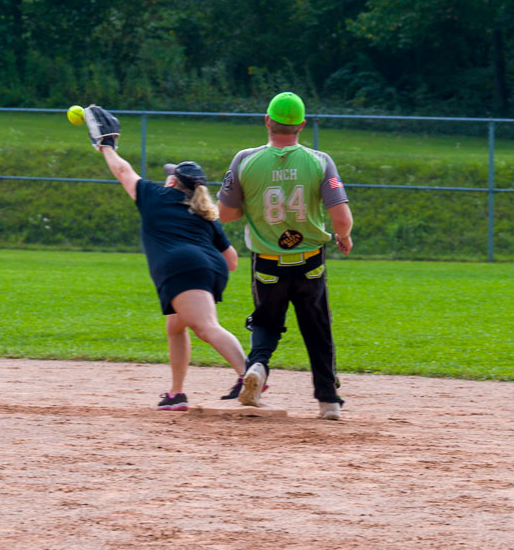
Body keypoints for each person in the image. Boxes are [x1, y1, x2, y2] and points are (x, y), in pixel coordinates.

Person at [90, 106, 247, 411]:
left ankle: (250, 373)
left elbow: (123, 171)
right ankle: (176, 394)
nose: (166, 179)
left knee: (205, 327)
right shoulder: (204, 213)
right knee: (176, 326)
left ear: (174, 183)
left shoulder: (155, 196)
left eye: (170, 176)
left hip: (183, 267)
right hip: (208, 267)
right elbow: (232, 261)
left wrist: (106, 146)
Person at [217, 91, 354, 420]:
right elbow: (342, 218)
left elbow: (225, 213)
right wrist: (343, 237)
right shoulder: (320, 161)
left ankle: (258, 368)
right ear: (301, 126)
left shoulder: (244, 160)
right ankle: (328, 400)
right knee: (317, 325)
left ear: (267, 121)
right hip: (309, 261)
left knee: (267, 320)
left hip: (267, 262)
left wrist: (252, 207)